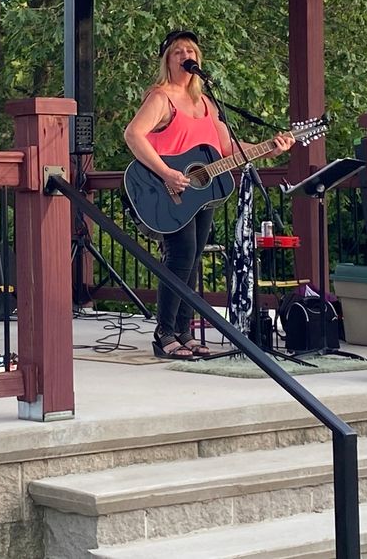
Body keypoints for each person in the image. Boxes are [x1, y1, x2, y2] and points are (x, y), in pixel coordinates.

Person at [124, 29, 294, 359]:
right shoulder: (162, 97)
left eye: (192, 50)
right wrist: (167, 173)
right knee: (181, 254)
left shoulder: (206, 103)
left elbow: (228, 148)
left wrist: (270, 149)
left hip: (200, 194)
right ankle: (164, 334)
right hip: (165, 189)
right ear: (168, 61)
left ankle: (184, 332)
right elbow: (133, 134)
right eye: (178, 51)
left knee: (193, 259)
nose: (187, 54)